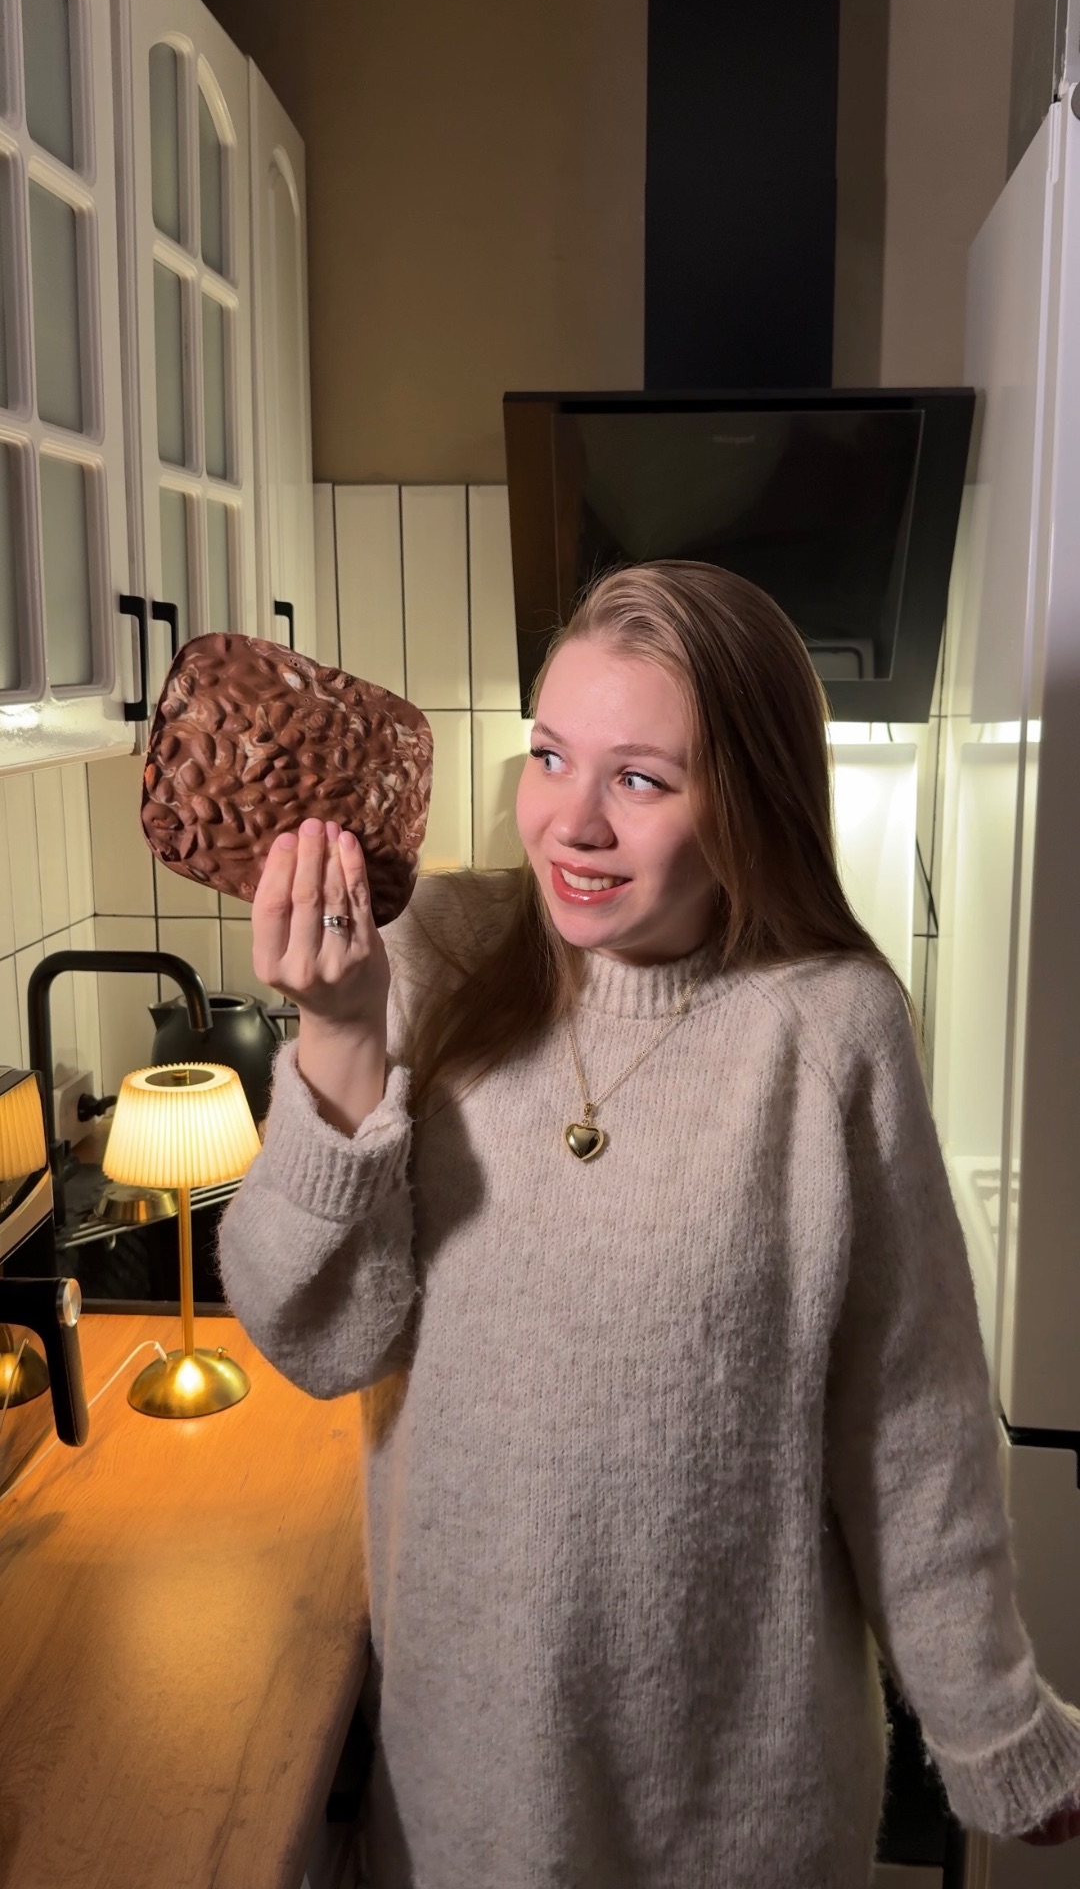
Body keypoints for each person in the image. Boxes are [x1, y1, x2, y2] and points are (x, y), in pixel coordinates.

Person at [217, 561, 1080, 1888]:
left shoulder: (830, 1030)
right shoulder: (432, 956)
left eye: (641, 779)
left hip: (746, 1803)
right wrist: (337, 1034)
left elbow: (911, 1425)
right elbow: (318, 1340)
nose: (572, 823)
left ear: (750, 800)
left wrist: (993, 1720)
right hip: (473, 1791)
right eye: (550, 755)